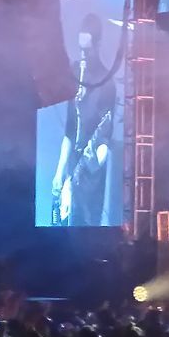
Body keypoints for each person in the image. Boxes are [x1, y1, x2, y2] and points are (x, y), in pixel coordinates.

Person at [52, 12, 116, 227]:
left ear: (98, 45)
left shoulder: (107, 83)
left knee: (85, 227)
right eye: (80, 49)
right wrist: (60, 172)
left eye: (86, 50)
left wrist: (93, 162)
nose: (82, 55)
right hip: (73, 167)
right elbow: (70, 130)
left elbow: (103, 139)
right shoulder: (74, 72)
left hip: (90, 173)